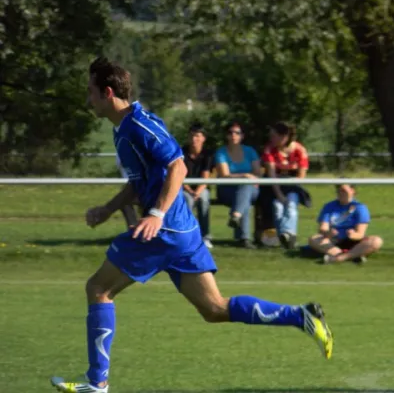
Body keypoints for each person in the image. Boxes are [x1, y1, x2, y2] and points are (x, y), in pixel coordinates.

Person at [50, 57, 333, 393]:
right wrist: (109, 208)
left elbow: (178, 167)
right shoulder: (124, 130)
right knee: (214, 309)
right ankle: (302, 316)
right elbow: (140, 182)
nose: (87, 99)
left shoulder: (141, 125)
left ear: (107, 92)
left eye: (91, 92)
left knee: (98, 289)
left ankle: (97, 384)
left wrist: (155, 214)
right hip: (177, 232)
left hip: (164, 230)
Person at [307, 183, 383, 264]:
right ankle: (352, 255)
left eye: (344, 191)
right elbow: (322, 228)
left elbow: (360, 234)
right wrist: (328, 233)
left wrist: (353, 235)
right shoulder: (329, 206)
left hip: (353, 241)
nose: (341, 193)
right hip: (333, 241)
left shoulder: (360, 207)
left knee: (376, 241)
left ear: (352, 191)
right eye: (339, 191)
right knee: (313, 239)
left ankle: (339, 258)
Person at [262, 122, 310, 249]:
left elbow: (301, 176)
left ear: (284, 137)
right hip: (274, 187)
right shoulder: (269, 149)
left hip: (293, 186)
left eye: (274, 136)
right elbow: (271, 176)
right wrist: (279, 195)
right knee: (277, 207)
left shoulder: (300, 150)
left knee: (291, 204)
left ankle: (287, 234)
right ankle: (287, 239)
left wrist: (287, 194)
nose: (271, 139)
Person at [214, 123, 261, 249]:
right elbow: (224, 175)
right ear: (227, 135)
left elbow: (258, 173)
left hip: (251, 189)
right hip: (227, 189)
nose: (233, 135)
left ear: (242, 136)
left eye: (237, 132)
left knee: (245, 189)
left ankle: (236, 216)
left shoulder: (250, 151)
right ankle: (244, 237)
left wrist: (247, 178)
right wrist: (244, 176)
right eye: (230, 132)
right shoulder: (221, 152)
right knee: (244, 195)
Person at [182, 123, 213, 249]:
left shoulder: (208, 154)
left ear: (203, 138)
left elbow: (206, 176)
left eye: (197, 136)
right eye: (192, 136)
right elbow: (180, 176)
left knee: (204, 199)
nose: (194, 139)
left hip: (202, 188)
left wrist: (198, 192)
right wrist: (190, 191)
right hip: (185, 187)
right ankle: (187, 235)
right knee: (187, 200)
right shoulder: (181, 152)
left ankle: (205, 236)